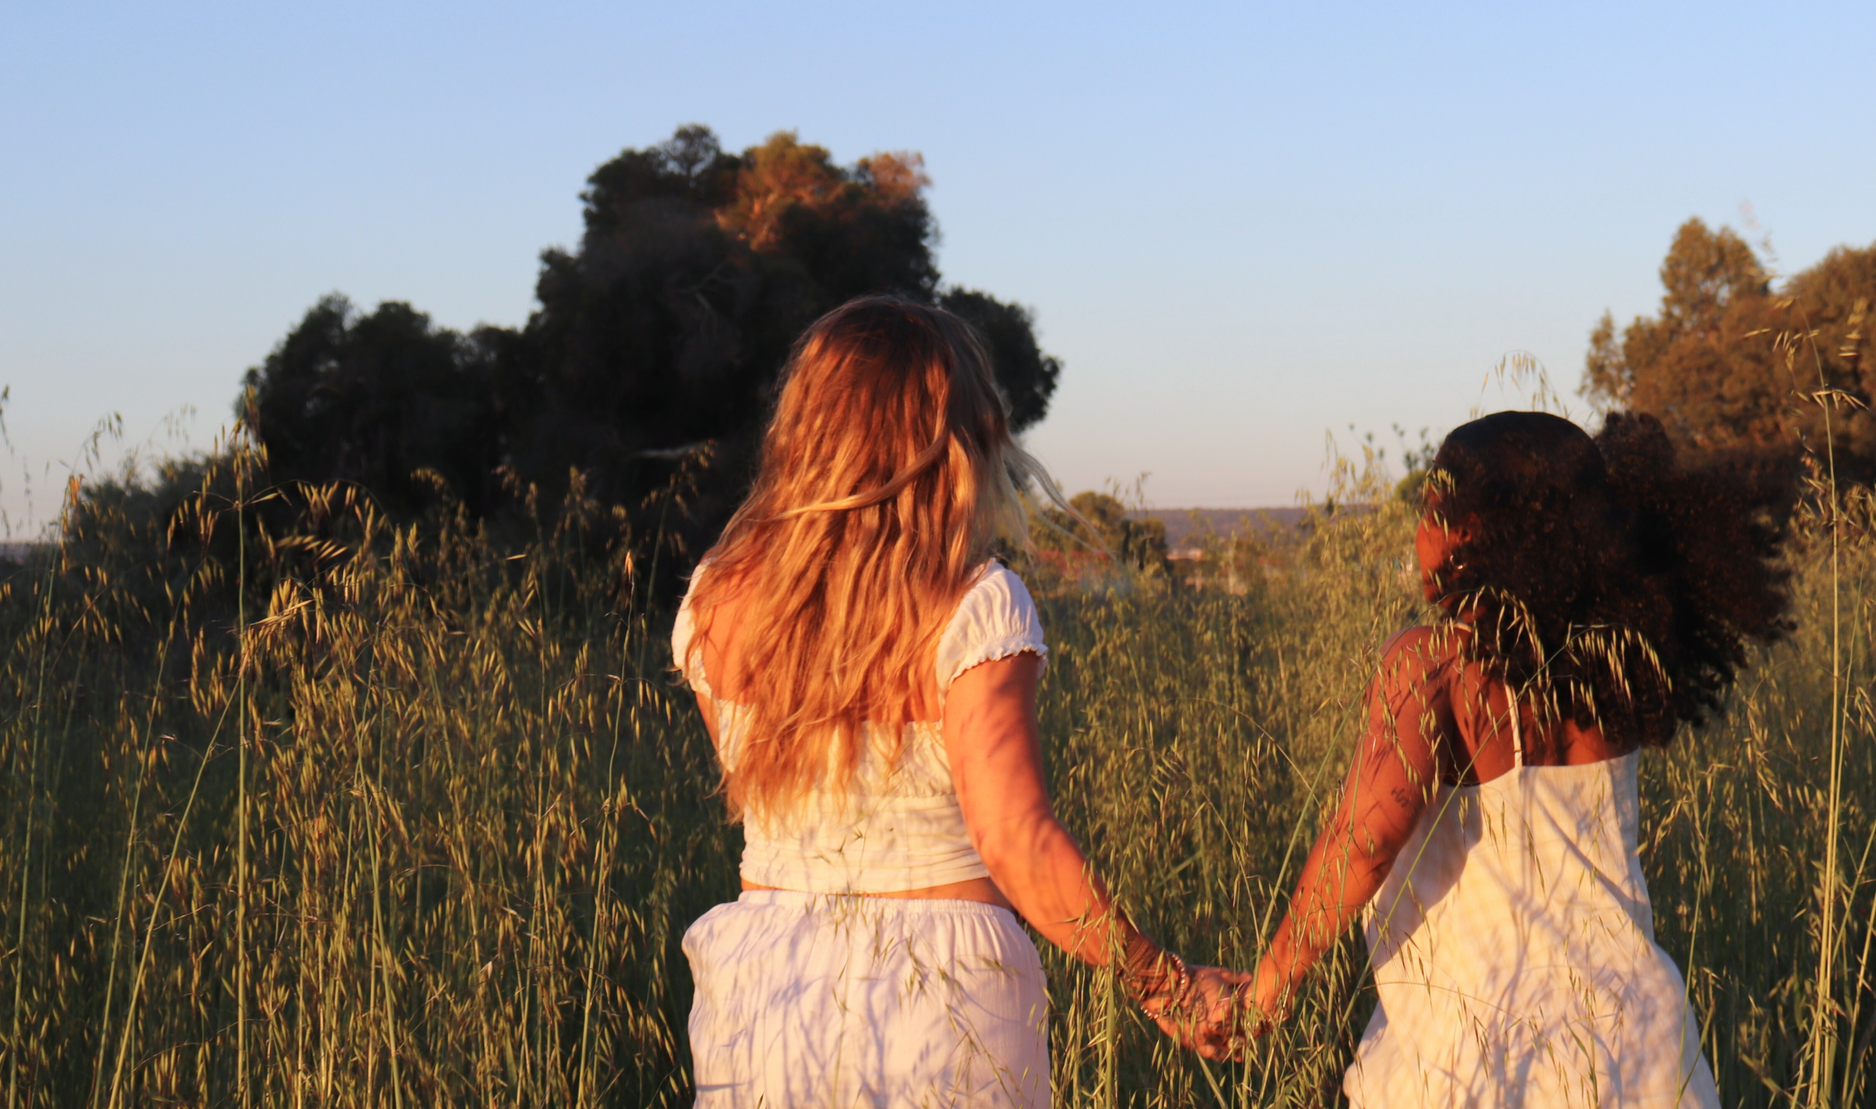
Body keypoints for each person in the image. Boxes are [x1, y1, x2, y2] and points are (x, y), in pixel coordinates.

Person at [671, 295, 1236, 1108]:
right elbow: (1013, 837)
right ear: (953, 442)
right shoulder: (976, 603)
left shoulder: (714, 598)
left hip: (765, 987)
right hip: (943, 995)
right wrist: (1164, 983)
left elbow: (762, 789)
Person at [1231, 409, 1794, 1108]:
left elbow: (1367, 837)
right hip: (1642, 1048)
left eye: (1427, 510)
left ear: (1463, 529)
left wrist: (1263, 989)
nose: (1417, 536)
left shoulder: (1432, 664)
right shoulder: (1614, 662)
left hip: (1481, 1057)